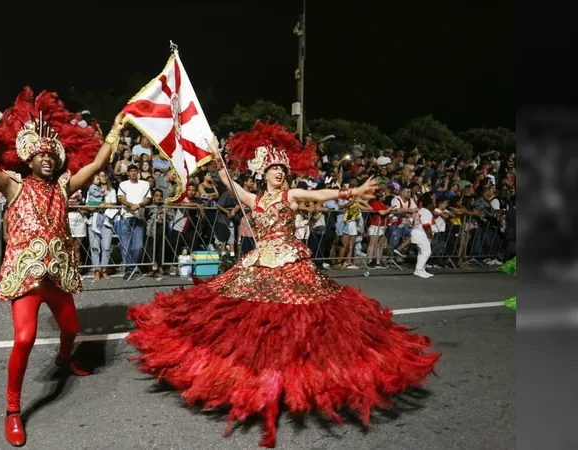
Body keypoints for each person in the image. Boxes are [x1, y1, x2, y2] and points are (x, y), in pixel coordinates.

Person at [126, 123, 440, 448]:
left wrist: (351, 193)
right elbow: (227, 182)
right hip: (258, 265)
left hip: (293, 266)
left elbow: (318, 194)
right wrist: (218, 159)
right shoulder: (254, 199)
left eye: (281, 168)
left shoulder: (291, 195)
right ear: (264, 172)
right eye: (273, 168)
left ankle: (291, 381)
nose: (278, 172)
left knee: (299, 326)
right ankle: (260, 381)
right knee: (251, 325)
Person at [0, 87, 124, 447]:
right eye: (41, 155)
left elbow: (97, 164)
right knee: (25, 338)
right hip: (28, 278)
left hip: (58, 276)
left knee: (71, 327)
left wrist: (115, 131)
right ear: (28, 159)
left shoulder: (64, 187)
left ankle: (65, 360)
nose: (47, 159)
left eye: (52, 155)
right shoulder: (13, 184)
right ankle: (13, 410)